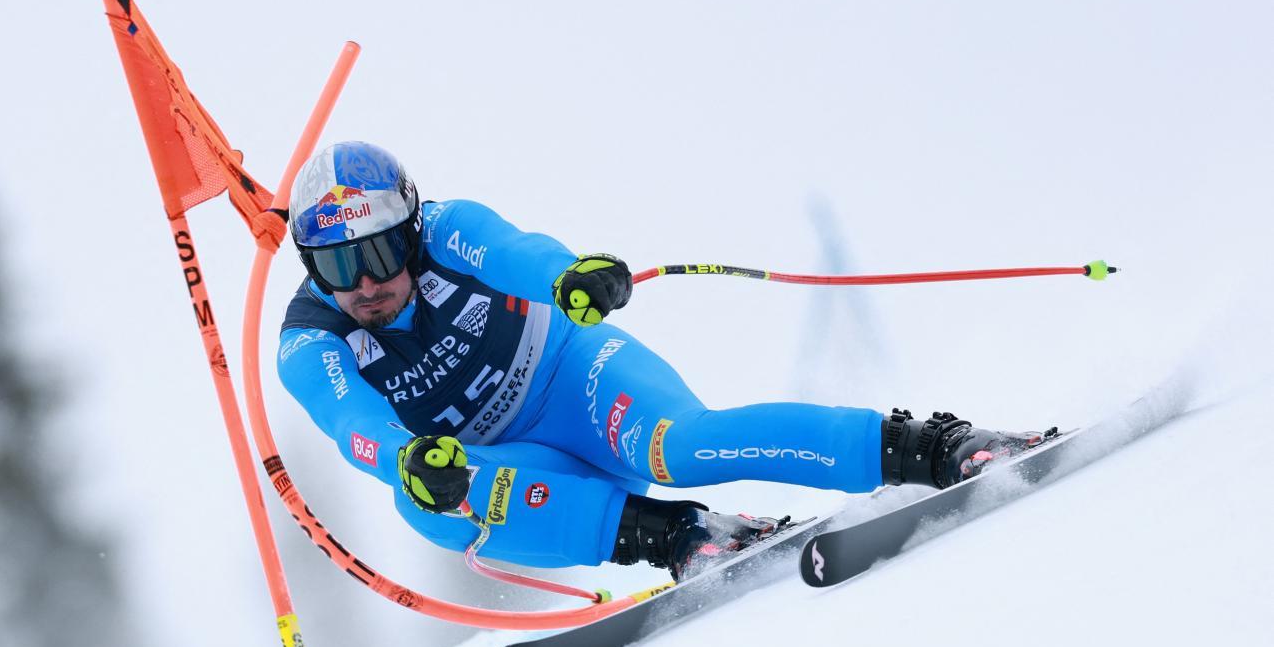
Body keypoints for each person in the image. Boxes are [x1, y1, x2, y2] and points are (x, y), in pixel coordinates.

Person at [278, 142, 1045, 580]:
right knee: (423, 504)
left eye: (379, 253)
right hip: (523, 465)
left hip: (575, 381)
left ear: (409, 234)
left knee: (682, 446)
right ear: (313, 269)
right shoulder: (310, 341)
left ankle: (939, 446)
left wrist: (570, 278)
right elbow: (352, 423)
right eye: (340, 268)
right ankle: (680, 537)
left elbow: (518, 253)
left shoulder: (448, 229)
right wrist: (408, 459)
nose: (367, 283)